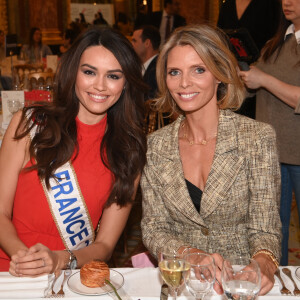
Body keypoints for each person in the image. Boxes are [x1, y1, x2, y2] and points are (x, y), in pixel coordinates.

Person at [141, 25, 281, 296]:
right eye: (174, 72)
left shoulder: (256, 138)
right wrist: (190, 254)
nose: (184, 83)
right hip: (184, 284)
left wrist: (262, 263)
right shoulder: (155, 147)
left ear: (220, 75)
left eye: (199, 70)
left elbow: (266, 229)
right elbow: (153, 228)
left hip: (240, 284)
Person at [0, 26, 147, 276]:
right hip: (11, 269)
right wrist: (23, 258)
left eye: (113, 76)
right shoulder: (30, 124)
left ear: (125, 84)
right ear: (73, 72)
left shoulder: (128, 150)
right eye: (89, 72)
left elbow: (105, 245)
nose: (99, 86)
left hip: (72, 273)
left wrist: (59, 260)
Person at [239, 0, 300, 266]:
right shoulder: (273, 44)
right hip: (270, 153)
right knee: (272, 231)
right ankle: (278, 287)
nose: (287, 2)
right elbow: (252, 90)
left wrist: (264, 79)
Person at [217, 0, 281, 119]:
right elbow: (219, 39)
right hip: (232, 75)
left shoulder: (270, 4)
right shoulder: (228, 5)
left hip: (262, 76)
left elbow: (277, 40)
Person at [131, 25, 161, 101]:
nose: (131, 45)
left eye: (134, 41)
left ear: (147, 43)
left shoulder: (157, 70)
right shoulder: (140, 66)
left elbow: (150, 104)